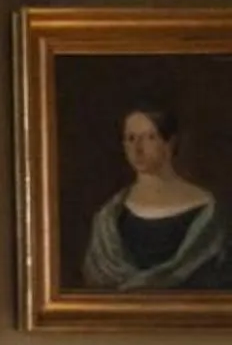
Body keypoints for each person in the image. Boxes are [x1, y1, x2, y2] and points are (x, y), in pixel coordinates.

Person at [82, 102, 227, 291]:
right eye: (131, 138)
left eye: (149, 137)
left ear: (170, 143)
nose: (137, 148)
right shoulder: (109, 216)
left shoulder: (206, 210)